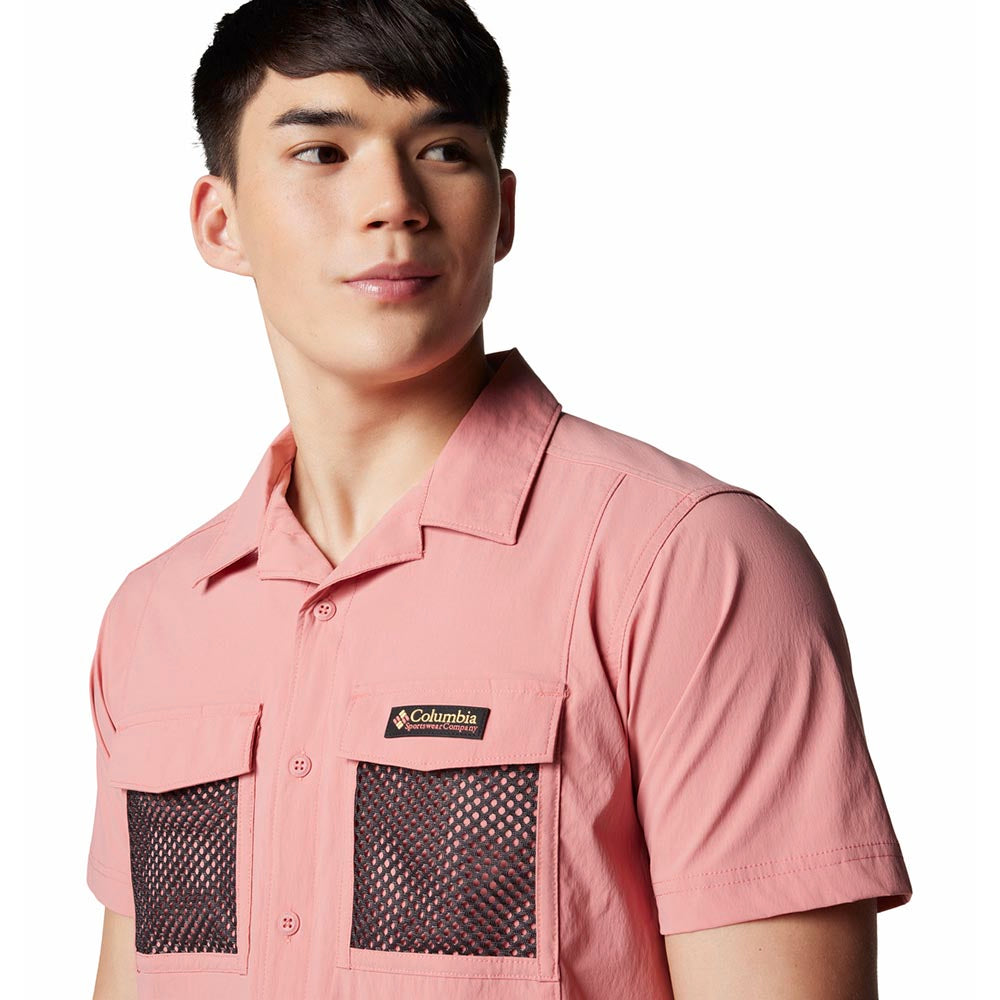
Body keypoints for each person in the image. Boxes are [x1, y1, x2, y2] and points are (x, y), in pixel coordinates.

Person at [85, 2, 913, 998]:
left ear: (504, 211)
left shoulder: (686, 562)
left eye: (442, 150)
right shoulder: (155, 619)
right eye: (322, 153)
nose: (393, 202)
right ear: (220, 224)